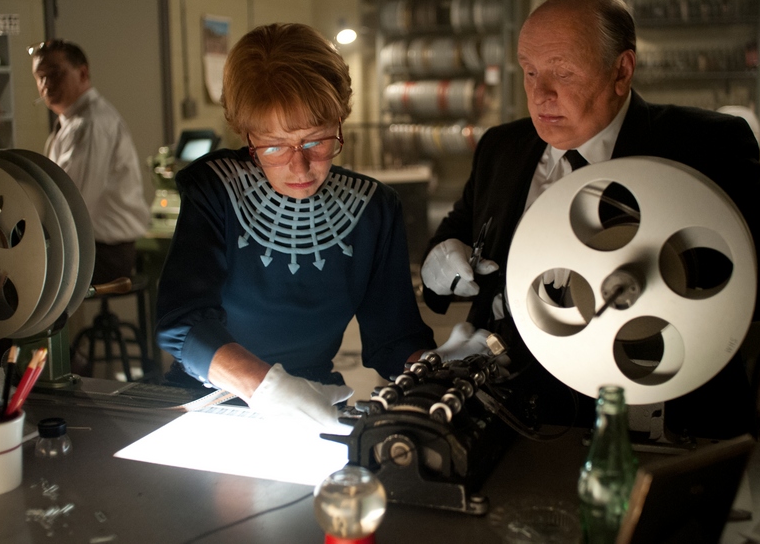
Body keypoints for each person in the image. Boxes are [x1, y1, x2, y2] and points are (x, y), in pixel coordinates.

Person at [421, 0, 760, 439]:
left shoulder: (705, 146)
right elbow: (456, 239)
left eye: (562, 74)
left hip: (651, 409)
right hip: (516, 414)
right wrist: (438, 267)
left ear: (621, 70)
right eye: (528, 72)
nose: (541, 94)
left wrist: (663, 279)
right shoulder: (502, 149)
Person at [155, 23, 482, 430]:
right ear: (246, 134)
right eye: (273, 146)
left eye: (316, 141)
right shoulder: (215, 190)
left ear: (340, 121)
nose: (300, 166)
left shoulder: (372, 209)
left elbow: (393, 341)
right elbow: (181, 325)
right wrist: (264, 388)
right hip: (209, 398)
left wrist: (432, 367)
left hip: (313, 400)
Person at [32, 39, 149, 285]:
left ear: (83, 73)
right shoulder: (72, 121)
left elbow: (71, 203)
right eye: (39, 77)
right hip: (88, 247)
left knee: (17, 278)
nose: (45, 85)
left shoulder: (91, 124)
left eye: (54, 74)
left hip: (105, 254)